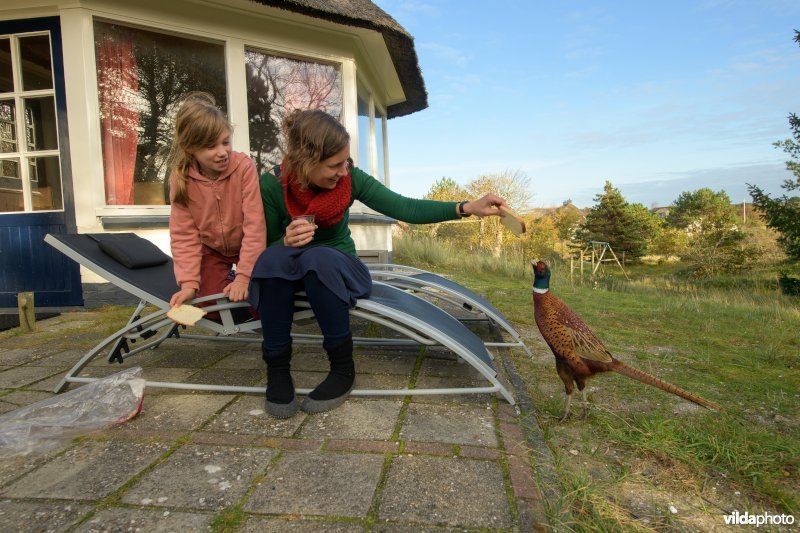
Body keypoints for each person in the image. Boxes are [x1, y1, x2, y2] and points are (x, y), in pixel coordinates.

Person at [250, 109, 510, 418]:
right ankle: (278, 371)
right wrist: (285, 241)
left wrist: (466, 207)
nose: (343, 171)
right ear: (306, 163)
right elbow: (262, 248)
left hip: (339, 267)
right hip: (291, 270)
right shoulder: (272, 186)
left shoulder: (350, 180)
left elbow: (404, 207)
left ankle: (342, 370)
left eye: (345, 162)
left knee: (318, 257)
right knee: (272, 258)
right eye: (334, 165)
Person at [167, 93, 266, 316]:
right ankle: (224, 281)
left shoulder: (244, 168)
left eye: (226, 142)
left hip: (247, 246)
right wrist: (189, 284)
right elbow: (183, 234)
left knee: (259, 305)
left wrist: (244, 277)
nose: (222, 152)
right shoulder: (181, 178)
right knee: (208, 307)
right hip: (212, 250)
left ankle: (237, 279)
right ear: (190, 147)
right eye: (211, 146)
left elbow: (255, 226)